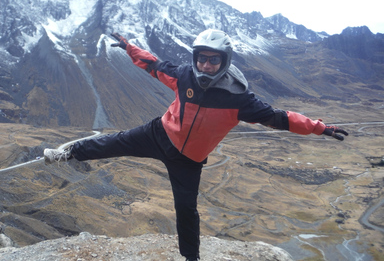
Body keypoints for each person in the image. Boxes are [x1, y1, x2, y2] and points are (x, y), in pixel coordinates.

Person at [44, 29, 348, 261]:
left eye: (213, 59)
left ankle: (190, 259)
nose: (206, 64)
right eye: (201, 57)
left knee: (186, 209)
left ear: (224, 61)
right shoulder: (186, 75)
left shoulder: (239, 99)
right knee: (114, 143)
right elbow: (155, 66)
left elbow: (280, 118)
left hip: (188, 160)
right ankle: (67, 153)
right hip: (160, 133)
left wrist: (320, 128)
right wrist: (128, 48)